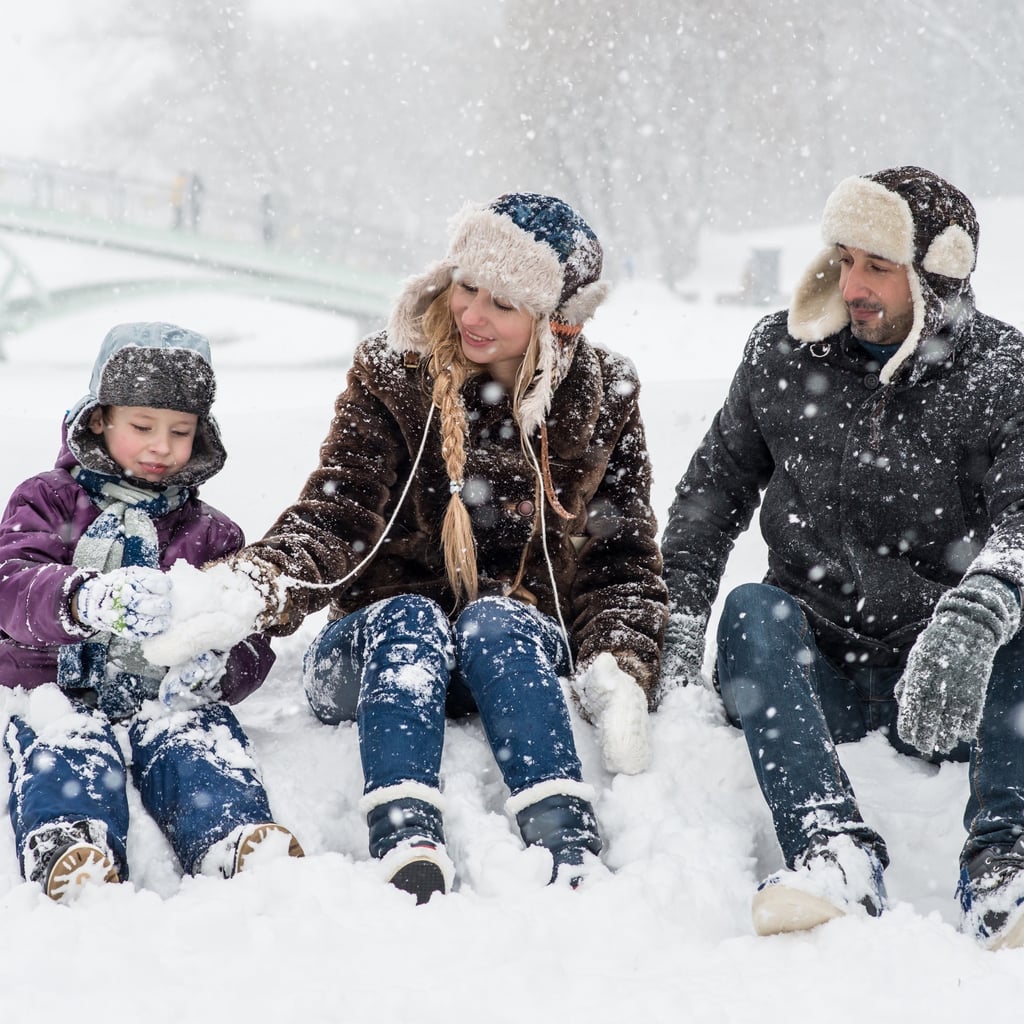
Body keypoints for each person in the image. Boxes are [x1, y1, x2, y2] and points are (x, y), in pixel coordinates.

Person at [191, 193, 667, 902]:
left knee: (497, 620)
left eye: (502, 304)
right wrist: (252, 586)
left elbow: (620, 558)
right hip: (375, 655)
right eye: (466, 286)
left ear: (553, 322)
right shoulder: (393, 372)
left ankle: (564, 830)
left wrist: (620, 662)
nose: (472, 314)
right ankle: (406, 832)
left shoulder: (605, 396)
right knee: (410, 618)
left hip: (510, 660)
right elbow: (337, 513)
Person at [661, 165, 1024, 949]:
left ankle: (1004, 869)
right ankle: (833, 852)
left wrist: (971, 621)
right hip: (814, 668)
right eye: (844, 257)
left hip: (945, 683)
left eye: (877, 267)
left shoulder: (1000, 372)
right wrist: (678, 617)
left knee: (1015, 614)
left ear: (937, 276)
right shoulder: (780, 354)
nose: (850, 284)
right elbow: (710, 494)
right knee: (750, 612)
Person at [0, 322, 303, 900]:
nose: (161, 446)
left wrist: (220, 664)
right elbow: (10, 584)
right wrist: (83, 597)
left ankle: (229, 836)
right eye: (142, 427)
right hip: (53, 688)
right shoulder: (47, 499)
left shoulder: (210, 533)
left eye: (180, 431)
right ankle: (68, 839)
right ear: (99, 419)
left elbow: (246, 631)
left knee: (199, 739)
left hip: (161, 697)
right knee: (64, 745)